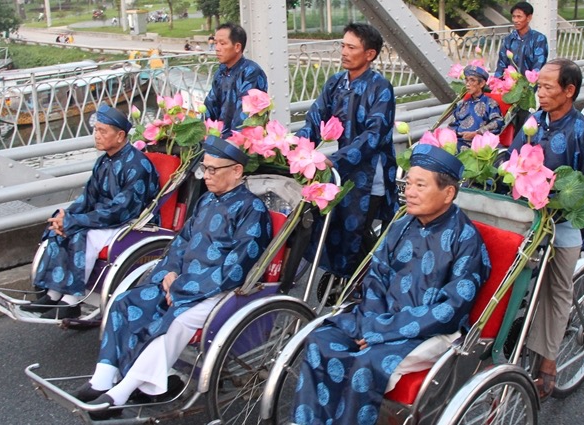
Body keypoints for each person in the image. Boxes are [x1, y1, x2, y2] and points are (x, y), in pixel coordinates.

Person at [72, 136, 272, 419]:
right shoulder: (206, 200)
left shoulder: (253, 210)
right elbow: (181, 242)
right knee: (125, 302)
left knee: (174, 319)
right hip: (181, 280)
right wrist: (169, 272)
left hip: (217, 291)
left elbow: (237, 267)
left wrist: (184, 287)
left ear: (237, 171)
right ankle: (103, 377)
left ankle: (124, 390)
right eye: (205, 169)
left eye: (214, 170)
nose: (207, 176)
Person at [290, 144, 491, 425]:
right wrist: (372, 321)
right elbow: (375, 277)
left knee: (365, 363)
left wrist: (380, 332)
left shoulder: (466, 239)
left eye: (420, 185)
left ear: (448, 193)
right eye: (408, 183)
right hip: (380, 317)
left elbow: (451, 310)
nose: (409, 192)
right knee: (320, 340)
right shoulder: (401, 226)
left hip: (430, 332)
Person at [508, 58, 584, 399]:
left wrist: (559, 201)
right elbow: (513, 161)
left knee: (556, 291)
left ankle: (549, 360)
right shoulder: (533, 122)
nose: (541, 93)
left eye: (548, 87)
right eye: (539, 86)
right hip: (525, 218)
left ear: (570, 91)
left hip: (561, 223)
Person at [22, 105, 159, 320]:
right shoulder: (103, 161)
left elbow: (121, 210)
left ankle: (72, 300)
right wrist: (66, 217)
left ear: (120, 135)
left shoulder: (137, 165)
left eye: (103, 131)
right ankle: (52, 293)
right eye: (96, 130)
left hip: (131, 222)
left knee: (81, 233)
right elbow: (88, 197)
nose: (97, 136)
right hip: (104, 216)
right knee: (62, 228)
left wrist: (77, 222)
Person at [296, 23, 399, 279]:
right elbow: (315, 120)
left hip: (369, 174)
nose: (343, 51)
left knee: (356, 230)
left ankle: (364, 282)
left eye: (351, 47)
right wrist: (294, 147)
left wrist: (335, 159)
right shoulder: (336, 83)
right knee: (337, 228)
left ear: (369, 54)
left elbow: (374, 136)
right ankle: (352, 282)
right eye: (342, 45)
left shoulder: (381, 87)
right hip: (342, 171)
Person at [203, 22, 268, 138]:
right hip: (219, 139)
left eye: (222, 44)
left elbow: (245, 115)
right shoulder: (220, 73)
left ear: (237, 46)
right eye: (216, 43)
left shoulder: (251, 71)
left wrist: (227, 139)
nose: (217, 48)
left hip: (243, 142)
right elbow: (210, 106)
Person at [494, 2, 548, 133]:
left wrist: (525, 88)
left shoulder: (539, 39)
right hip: (509, 89)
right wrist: (496, 85)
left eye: (519, 17)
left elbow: (538, 67)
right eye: (514, 17)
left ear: (529, 18)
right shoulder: (508, 40)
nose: (515, 20)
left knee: (524, 122)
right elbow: (501, 65)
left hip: (529, 90)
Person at [448, 64, 503, 151]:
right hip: (459, 140)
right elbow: (452, 125)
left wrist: (476, 133)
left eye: (472, 81)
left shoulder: (490, 104)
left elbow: (497, 122)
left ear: (481, 84)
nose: (468, 84)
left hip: (477, 144)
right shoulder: (462, 105)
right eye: (466, 80)